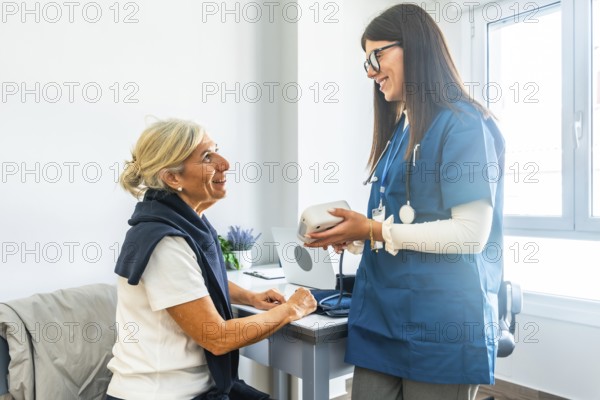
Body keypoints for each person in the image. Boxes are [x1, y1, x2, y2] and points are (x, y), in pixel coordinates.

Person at [305, 4, 505, 400]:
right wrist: (358, 236)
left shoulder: (463, 124)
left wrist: (375, 230)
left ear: (415, 48)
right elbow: (400, 222)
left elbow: (470, 234)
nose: (370, 72)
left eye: (376, 56)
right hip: (381, 317)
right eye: (365, 61)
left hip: (441, 325)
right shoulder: (402, 129)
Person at [106, 119, 317, 400]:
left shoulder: (183, 222)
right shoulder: (165, 243)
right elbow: (217, 338)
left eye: (216, 150)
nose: (225, 163)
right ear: (173, 178)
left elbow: (194, 282)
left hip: (199, 388)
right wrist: (292, 310)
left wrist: (249, 298)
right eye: (207, 157)